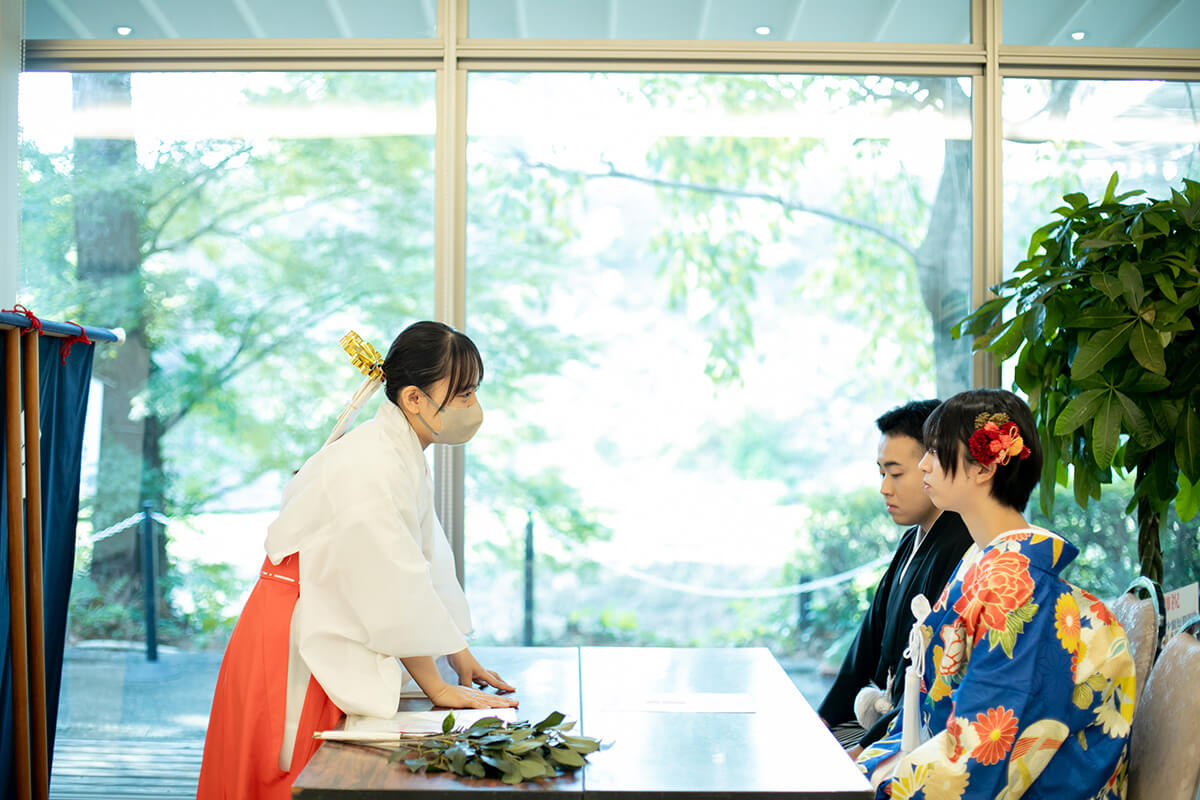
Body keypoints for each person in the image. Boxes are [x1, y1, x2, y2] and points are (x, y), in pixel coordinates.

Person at [197, 321, 518, 800]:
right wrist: (437, 687)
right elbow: (392, 583)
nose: (473, 406)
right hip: (299, 629)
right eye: (463, 393)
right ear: (414, 398)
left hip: (326, 608)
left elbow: (425, 559)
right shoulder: (371, 462)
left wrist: (457, 652)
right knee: (296, 771)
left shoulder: (397, 449)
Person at [856, 389, 1134, 800]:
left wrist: (877, 784)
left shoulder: (1019, 589)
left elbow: (983, 753)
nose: (924, 464)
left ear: (984, 466)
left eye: (934, 450)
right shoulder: (988, 563)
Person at [819, 401, 973, 754]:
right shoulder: (911, 541)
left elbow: (932, 675)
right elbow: (866, 645)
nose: (885, 488)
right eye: (882, 474)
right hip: (884, 718)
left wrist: (865, 748)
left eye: (896, 473)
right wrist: (825, 718)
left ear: (935, 463)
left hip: (913, 730)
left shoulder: (960, 545)